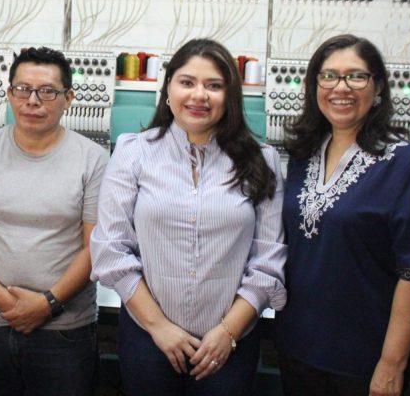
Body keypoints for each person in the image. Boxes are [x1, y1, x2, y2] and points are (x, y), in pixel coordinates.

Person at [90, 38, 286, 396]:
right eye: (187, 82)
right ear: (168, 90)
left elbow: (268, 261)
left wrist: (227, 333)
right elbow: (112, 250)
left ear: (230, 96)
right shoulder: (134, 153)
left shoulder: (262, 160)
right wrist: (159, 327)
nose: (199, 95)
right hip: (148, 337)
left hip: (230, 344)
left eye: (214, 85)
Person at [274, 34, 410, 396]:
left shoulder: (404, 164)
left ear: (377, 86)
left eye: (356, 76)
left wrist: (392, 364)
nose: (341, 88)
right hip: (296, 346)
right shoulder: (304, 154)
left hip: (364, 358)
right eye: (328, 76)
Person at [0, 47, 109, 396]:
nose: (33, 100)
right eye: (23, 89)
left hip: (64, 332)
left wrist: (47, 303)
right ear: (8, 94)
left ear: (69, 98)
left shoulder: (93, 161)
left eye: (47, 91)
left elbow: (95, 246)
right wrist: (6, 304)